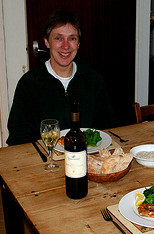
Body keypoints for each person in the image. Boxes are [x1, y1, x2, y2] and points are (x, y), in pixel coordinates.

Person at [6, 9, 117, 146]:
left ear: (78, 44)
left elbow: (108, 127)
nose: (65, 46)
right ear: (47, 42)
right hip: (45, 160)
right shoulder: (29, 83)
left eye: (72, 38)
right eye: (58, 38)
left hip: (88, 157)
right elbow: (18, 137)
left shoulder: (93, 80)